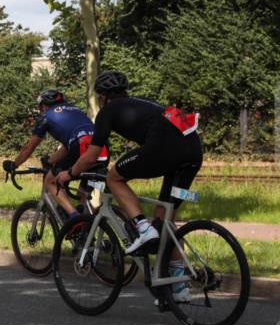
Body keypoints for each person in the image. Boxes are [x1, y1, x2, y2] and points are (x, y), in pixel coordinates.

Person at [57, 71, 203, 301]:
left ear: (103, 96)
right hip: (193, 152)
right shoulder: (144, 103)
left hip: (165, 148)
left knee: (114, 177)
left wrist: (70, 173)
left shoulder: (108, 111)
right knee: (165, 220)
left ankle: (143, 229)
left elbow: (93, 153)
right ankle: (179, 288)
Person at [2, 89, 109, 221]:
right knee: (84, 196)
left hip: (80, 147)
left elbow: (29, 148)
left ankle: (73, 220)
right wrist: (51, 162)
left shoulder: (46, 117)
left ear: (44, 105)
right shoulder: (75, 110)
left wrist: (14, 164)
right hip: (101, 148)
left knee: (50, 181)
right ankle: (86, 234)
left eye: (40, 107)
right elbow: (66, 146)